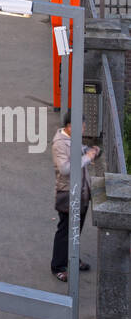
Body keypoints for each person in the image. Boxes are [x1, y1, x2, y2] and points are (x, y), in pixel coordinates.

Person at [50, 110, 100, 282]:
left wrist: (90, 151)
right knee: (66, 230)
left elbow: (79, 151)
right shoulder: (59, 144)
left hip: (81, 191)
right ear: (70, 126)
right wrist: (87, 157)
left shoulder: (73, 139)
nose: (84, 129)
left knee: (76, 230)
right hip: (68, 194)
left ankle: (72, 258)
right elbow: (65, 169)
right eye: (82, 126)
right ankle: (58, 266)